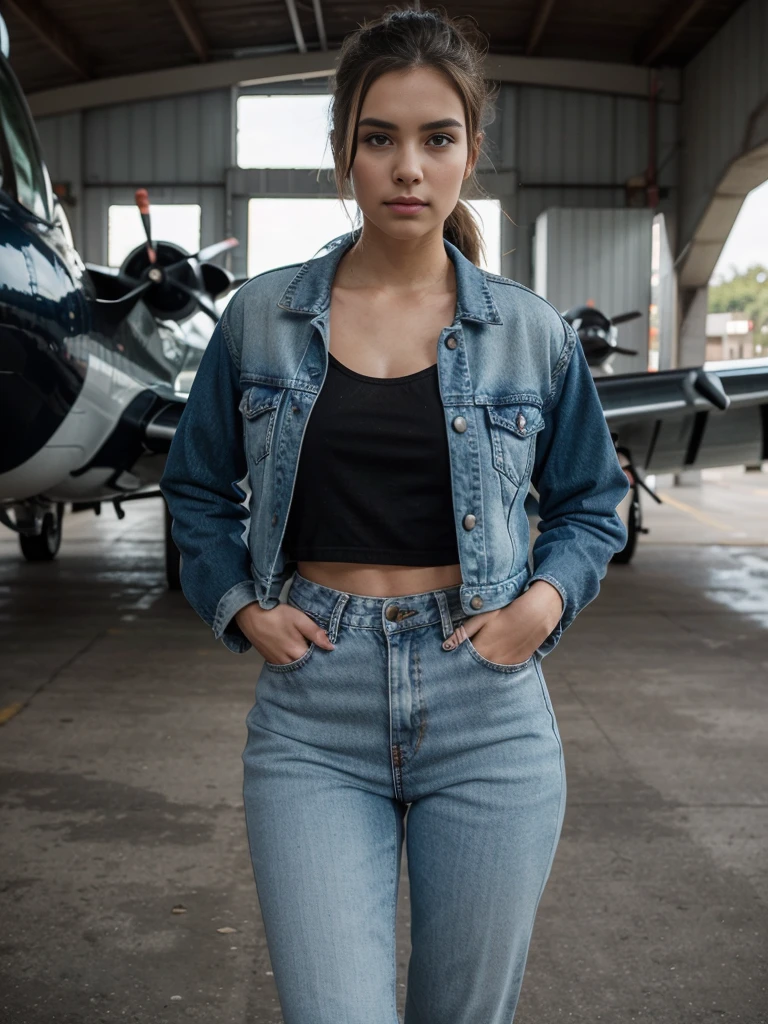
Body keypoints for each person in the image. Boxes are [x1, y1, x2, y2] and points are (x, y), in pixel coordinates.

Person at [159, 7, 630, 1022]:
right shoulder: (259, 318)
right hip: (314, 712)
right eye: (381, 139)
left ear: (470, 154)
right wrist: (242, 605)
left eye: (437, 138)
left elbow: (595, 502)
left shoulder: (530, 333)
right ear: (346, 155)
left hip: (487, 708)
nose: (408, 167)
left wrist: (537, 612)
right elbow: (196, 487)